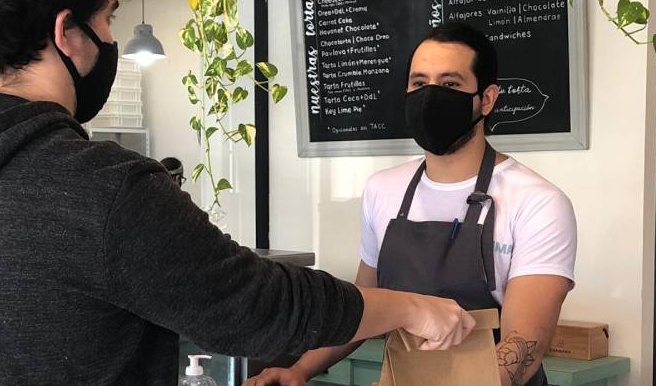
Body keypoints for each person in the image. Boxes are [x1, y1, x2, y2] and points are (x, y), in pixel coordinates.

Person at [0, 0, 475, 385]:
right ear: (68, 34)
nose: (109, 39)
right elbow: (257, 308)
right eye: (108, 19)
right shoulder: (100, 189)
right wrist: (413, 306)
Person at [245, 23, 577, 386]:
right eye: (419, 83)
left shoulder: (538, 202)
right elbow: (363, 307)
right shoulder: (382, 190)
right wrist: (299, 370)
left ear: (487, 99)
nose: (431, 97)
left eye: (450, 84)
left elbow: (524, 346)